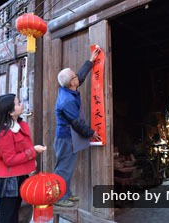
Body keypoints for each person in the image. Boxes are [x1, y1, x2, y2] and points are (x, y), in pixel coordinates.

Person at [54, 47, 102, 207]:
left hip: (68, 137)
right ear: (71, 83)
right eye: (74, 76)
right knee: (63, 168)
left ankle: (65, 193)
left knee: (67, 166)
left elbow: (80, 77)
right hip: (66, 138)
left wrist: (90, 61)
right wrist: (92, 132)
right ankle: (59, 198)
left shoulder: (69, 87)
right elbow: (77, 123)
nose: (77, 77)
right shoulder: (67, 100)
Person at [0, 93, 46, 223]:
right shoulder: (4, 132)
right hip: (9, 179)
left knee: (16, 212)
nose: (21, 105)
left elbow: (22, 149)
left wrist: (31, 159)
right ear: (10, 111)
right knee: (7, 215)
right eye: (18, 103)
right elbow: (10, 160)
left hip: (20, 175)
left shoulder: (18, 125)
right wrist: (33, 151)